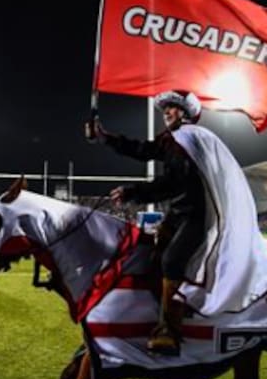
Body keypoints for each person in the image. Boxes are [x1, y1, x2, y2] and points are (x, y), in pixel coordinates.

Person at [86, 90, 207, 356]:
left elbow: (173, 184)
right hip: (179, 213)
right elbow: (142, 150)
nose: (166, 112)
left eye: (173, 107)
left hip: (197, 215)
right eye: (167, 108)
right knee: (153, 256)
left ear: (186, 113)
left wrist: (133, 192)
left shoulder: (189, 140)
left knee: (171, 261)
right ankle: (163, 310)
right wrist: (105, 137)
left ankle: (170, 332)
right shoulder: (172, 139)